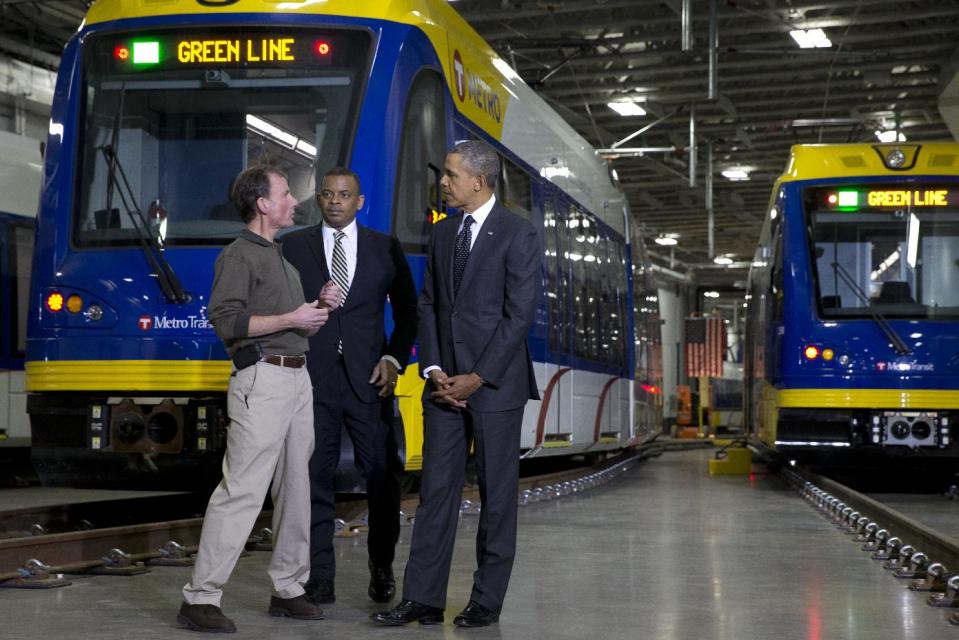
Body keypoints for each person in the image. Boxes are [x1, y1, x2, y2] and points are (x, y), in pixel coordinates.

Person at [373, 140, 540, 628]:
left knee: (496, 496)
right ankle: (422, 599)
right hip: (443, 385)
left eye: (449, 174)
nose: (442, 182)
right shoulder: (443, 234)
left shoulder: (518, 234)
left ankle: (485, 602)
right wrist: (434, 370)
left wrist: (478, 376)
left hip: (495, 387)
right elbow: (428, 305)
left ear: (478, 182)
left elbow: (518, 316)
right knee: (435, 493)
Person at [177, 165, 339, 633]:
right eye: (286, 194)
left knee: (295, 488)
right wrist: (293, 316)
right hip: (263, 380)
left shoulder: (280, 256)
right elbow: (226, 320)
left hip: (296, 381)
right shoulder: (238, 255)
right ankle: (200, 597)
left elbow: (285, 318)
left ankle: (288, 588)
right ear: (263, 204)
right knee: (243, 489)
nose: (295, 201)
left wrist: (318, 304)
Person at [282, 167, 417, 606]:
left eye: (344, 195)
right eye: (327, 194)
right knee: (313, 477)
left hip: (370, 380)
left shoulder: (384, 247)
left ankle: (382, 566)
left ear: (360, 202)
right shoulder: (294, 246)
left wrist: (394, 358)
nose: (335, 201)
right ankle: (321, 575)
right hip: (311, 378)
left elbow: (409, 312)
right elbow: (280, 306)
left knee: (381, 476)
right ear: (317, 200)